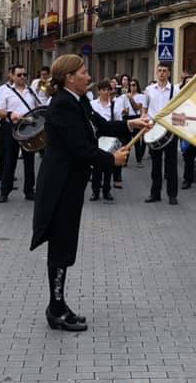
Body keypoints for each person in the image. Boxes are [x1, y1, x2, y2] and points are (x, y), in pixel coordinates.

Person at [30, 54, 150, 332]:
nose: (89, 76)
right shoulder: (61, 105)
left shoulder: (78, 100)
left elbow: (102, 126)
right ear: (70, 77)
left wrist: (133, 124)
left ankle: (58, 304)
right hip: (59, 188)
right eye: (84, 71)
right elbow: (79, 149)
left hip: (71, 186)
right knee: (60, 247)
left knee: (66, 246)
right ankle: (56, 308)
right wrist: (112, 161)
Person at [0, 65, 40, 203]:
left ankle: (29, 191)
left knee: (29, 160)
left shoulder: (31, 91)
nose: (22, 77)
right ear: (12, 76)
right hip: (12, 128)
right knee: (10, 160)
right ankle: (5, 191)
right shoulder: (6, 92)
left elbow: (38, 108)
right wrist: (10, 114)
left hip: (28, 130)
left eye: (24, 74)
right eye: (19, 75)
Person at [145, 62, 178, 205]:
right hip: (153, 131)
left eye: (164, 71)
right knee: (155, 165)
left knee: (171, 165)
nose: (162, 73)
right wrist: (145, 124)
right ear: (156, 73)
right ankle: (155, 194)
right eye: (159, 70)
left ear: (169, 73)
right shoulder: (149, 90)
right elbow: (145, 109)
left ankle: (172, 195)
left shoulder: (175, 90)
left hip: (169, 132)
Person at [89, 80, 121, 202]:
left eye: (108, 90)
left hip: (109, 136)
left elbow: (118, 121)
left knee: (108, 165)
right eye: (103, 90)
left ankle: (106, 191)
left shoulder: (114, 105)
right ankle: (95, 191)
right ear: (99, 91)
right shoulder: (92, 104)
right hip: (97, 136)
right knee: (97, 166)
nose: (106, 92)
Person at [127, 78, 148, 166]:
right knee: (127, 140)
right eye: (130, 85)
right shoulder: (125, 96)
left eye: (134, 85)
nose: (132, 87)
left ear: (137, 86)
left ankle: (139, 160)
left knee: (136, 140)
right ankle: (125, 160)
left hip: (136, 117)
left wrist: (131, 99)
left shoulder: (140, 96)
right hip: (127, 117)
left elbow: (137, 107)